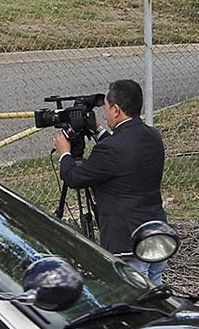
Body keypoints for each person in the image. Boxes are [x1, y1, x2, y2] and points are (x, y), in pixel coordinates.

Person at [51, 78, 169, 285]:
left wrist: (64, 153)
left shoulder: (111, 150)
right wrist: (97, 130)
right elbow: (123, 153)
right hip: (155, 233)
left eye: (106, 108)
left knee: (136, 293)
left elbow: (75, 177)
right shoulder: (152, 136)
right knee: (155, 285)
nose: (105, 115)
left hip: (127, 241)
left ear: (116, 110)